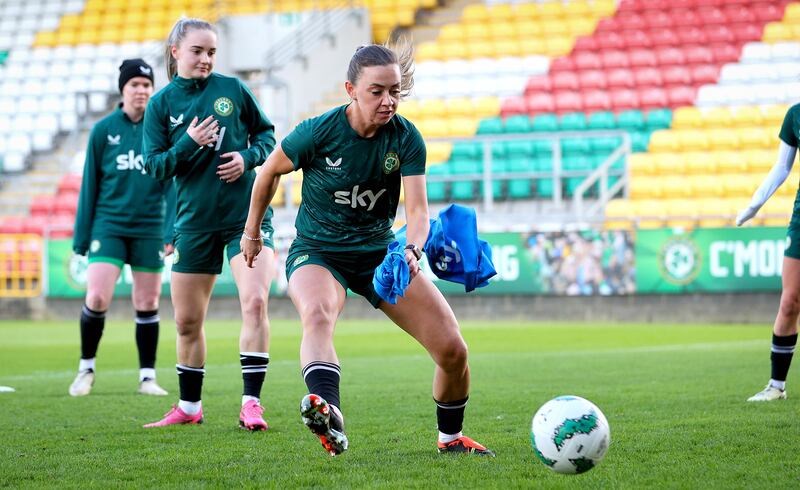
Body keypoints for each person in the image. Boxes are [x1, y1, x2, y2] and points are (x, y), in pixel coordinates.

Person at [241, 43, 495, 456]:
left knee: (453, 349)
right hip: (318, 253)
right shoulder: (318, 131)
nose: (388, 100)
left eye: (394, 90)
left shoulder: (406, 138)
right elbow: (268, 171)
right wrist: (252, 231)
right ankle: (331, 414)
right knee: (318, 314)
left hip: (381, 254)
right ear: (351, 90)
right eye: (377, 91)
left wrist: (412, 249)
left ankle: (450, 439)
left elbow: (417, 210)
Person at [141, 18, 276, 430]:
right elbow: (155, 167)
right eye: (198, 51)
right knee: (186, 322)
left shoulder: (233, 90)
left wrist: (247, 158)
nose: (205, 59)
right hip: (194, 224)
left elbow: (268, 137)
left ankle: (251, 403)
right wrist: (188, 142)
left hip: (245, 218)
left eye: (212, 52)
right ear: (176, 52)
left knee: (254, 302)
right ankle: (189, 407)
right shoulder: (161, 105)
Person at [69, 58, 174, 398]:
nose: (141, 90)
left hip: (148, 227)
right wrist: (82, 238)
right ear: (123, 89)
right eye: (135, 85)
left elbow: (171, 184)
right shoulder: (103, 131)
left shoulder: (160, 131)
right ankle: (86, 369)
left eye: (146, 85)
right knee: (97, 295)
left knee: (147, 300)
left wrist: (171, 230)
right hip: (108, 225)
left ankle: (147, 377)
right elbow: (90, 185)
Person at [737, 104, 800, 401]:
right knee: (789, 301)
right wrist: (754, 204)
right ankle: (777, 386)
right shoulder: (795, 115)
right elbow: (783, 166)